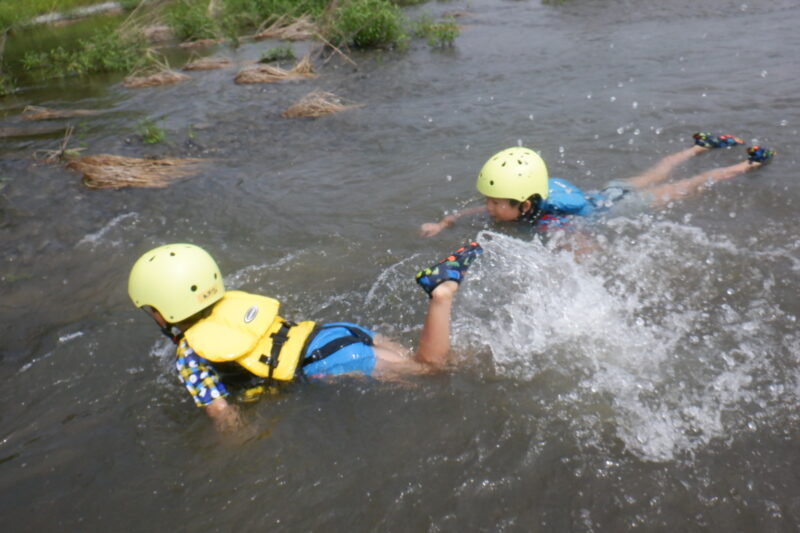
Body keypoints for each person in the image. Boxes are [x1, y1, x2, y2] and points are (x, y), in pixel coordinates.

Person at [128, 242, 482, 432]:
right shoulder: (231, 302)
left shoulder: (190, 356)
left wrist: (239, 444)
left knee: (431, 372)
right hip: (334, 331)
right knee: (441, 360)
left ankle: (440, 293)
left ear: (163, 311)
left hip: (329, 361)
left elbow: (222, 413)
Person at [419, 133, 776, 238]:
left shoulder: (552, 220)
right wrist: (444, 222)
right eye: (489, 201)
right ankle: (699, 146)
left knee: (687, 186)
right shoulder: (519, 200)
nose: (489, 208)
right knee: (656, 171)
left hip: (621, 205)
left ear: (525, 206)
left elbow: (583, 247)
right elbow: (470, 211)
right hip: (605, 192)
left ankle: (749, 162)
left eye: (496, 204)